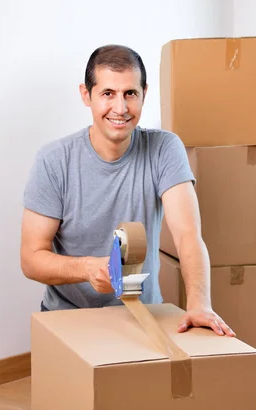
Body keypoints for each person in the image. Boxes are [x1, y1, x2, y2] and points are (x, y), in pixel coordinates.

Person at [19, 44, 235, 337]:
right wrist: (86, 268)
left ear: (144, 93)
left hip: (142, 317)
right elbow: (31, 258)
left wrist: (199, 304)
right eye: (108, 93)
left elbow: (187, 235)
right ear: (87, 95)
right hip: (68, 318)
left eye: (130, 94)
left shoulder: (165, 149)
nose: (120, 109)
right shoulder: (54, 161)